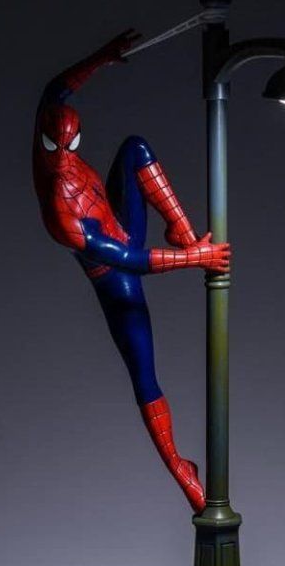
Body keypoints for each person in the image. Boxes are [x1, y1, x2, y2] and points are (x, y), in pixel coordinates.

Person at [33, 30, 230, 513]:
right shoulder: (61, 214)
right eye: (55, 147)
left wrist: (100, 57)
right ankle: (180, 470)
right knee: (144, 373)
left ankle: (183, 230)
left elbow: (57, 88)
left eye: (70, 145)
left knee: (136, 148)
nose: (64, 158)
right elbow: (131, 262)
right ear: (46, 142)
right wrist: (198, 260)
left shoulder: (54, 130)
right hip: (114, 277)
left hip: (122, 227)